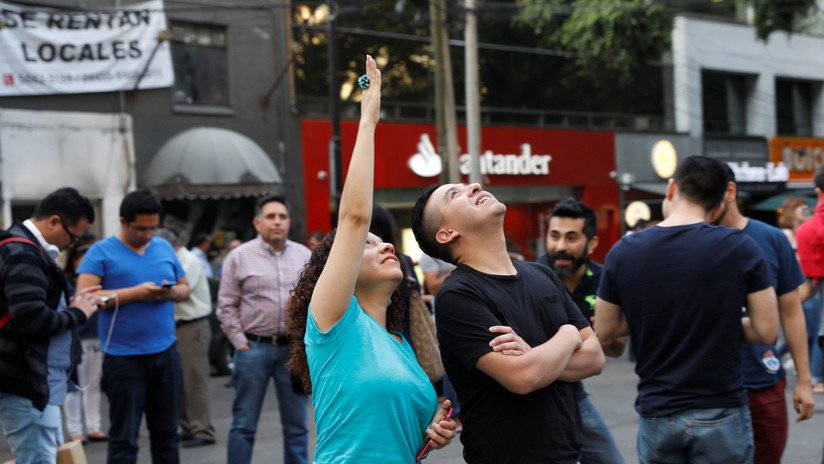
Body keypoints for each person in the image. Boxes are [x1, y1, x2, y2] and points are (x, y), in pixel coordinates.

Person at [285, 56, 456, 464]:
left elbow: (394, 430)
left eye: (383, 242)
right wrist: (368, 120)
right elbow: (354, 218)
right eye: (367, 244)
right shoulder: (332, 323)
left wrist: (433, 429)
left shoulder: (399, 344)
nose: (385, 247)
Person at [595, 155, 779, 463]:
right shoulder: (740, 248)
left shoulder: (623, 252)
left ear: (671, 188)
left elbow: (606, 329)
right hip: (721, 409)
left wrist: (656, 317)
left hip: (658, 411)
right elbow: (766, 330)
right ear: (718, 205)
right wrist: (715, 320)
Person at [411, 187, 604, 459]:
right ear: (447, 233)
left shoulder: (543, 274)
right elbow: (523, 378)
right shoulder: (457, 296)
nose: (474, 187)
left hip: (568, 453)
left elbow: (595, 358)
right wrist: (569, 334)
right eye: (454, 195)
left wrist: (535, 358)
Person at [77, 190, 191, 464]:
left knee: (167, 434)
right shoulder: (100, 252)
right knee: (124, 438)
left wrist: (171, 292)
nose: (148, 234)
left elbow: (185, 288)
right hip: (123, 358)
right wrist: (136, 293)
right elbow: (85, 298)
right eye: (141, 229)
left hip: (165, 353)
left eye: (153, 228)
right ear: (123, 222)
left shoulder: (163, 247)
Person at [715, 171, 815, 463]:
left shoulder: (770, 238)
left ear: (729, 192)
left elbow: (791, 310)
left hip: (763, 378)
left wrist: (804, 380)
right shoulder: (689, 240)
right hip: (707, 388)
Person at [0, 187, 100, 464]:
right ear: (54, 221)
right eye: (73, 236)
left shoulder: (21, 248)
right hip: (26, 382)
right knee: (38, 459)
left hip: (30, 381)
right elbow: (32, 319)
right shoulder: (23, 253)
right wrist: (78, 313)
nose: (72, 244)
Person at [216, 195, 312, 464]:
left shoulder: (303, 255)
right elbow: (226, 304)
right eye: (271, 217)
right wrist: (240, 343)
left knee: (297, 426)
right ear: (257, 223)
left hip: (292, 351)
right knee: (244, 424)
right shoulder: (239, 257)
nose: (277, 222)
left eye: (282, 217)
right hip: (253, 348)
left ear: (289, 222)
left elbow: (314, 301)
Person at [536, 197, 624, 464]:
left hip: (573, 394)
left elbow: (617, 348)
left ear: (592, 243)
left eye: (571, 237)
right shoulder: (530, 277)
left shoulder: (604, 280)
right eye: (554, 236)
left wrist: (603, 336)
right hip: (531, 398)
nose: (561, 246)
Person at [155, 229, 217, 448]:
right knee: (179, 381)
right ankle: (187, 427)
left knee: (194, 380)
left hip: (192, 325)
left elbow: (179, 291)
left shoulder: (187, 260)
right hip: (176, 325)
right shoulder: (175, 259)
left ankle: (202, 429)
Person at [62, 233, 109, 444]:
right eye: (84, 257)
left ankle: (94, 427)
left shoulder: (101, 281)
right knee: (74, 386)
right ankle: (75, 431)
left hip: (96, 334)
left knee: (93, 383)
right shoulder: (65, 281)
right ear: (74, 259)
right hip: (75, 338)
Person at [778, 198, 824, 395]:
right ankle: (813, 376)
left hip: (808, 283)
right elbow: (788, 261)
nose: (804, 211)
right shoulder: (787, 234)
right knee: (808, 331)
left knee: (810, 332)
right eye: (800, 208)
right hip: (799, 284)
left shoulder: (805, 230)